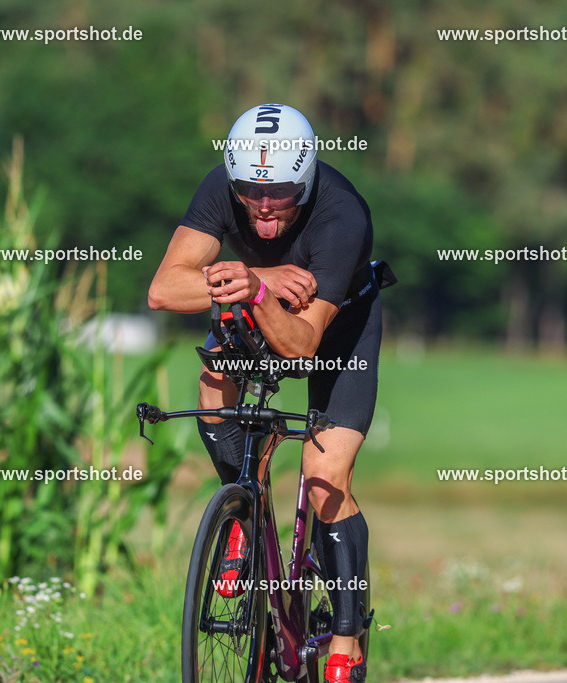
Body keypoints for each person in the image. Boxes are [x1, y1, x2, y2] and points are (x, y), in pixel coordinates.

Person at [149, 103, 385, 683]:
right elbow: (162, 288)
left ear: (303, 178)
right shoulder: (223, 191)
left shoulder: (341, 216)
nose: (262, 205)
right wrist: (259, 280)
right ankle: (241, 511)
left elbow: (303, 345)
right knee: (213, 380)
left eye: (278, 190)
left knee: (325, 475)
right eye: (250, 189)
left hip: (337, 331)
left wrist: (254, 289)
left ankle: (346, 640)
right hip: (259, 307)